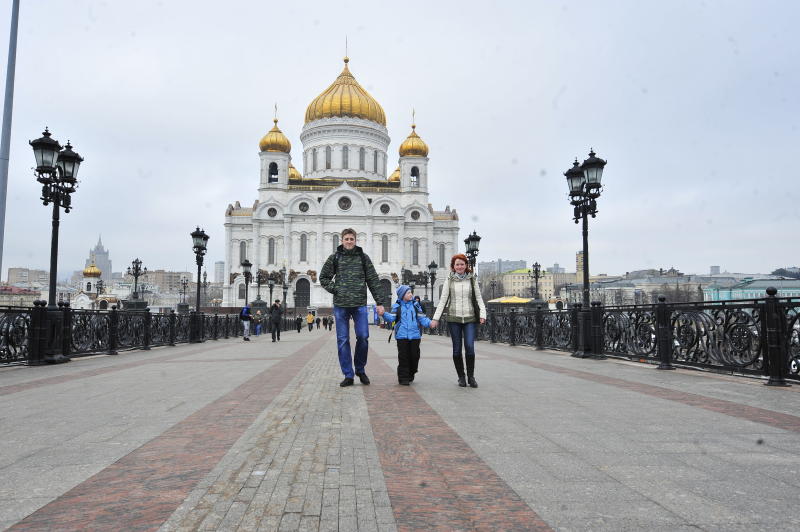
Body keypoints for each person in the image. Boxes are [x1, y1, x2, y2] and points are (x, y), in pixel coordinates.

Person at [320, 228, 387, 387]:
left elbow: (373, 280)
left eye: (351, 239)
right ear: (341, 241)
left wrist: (379, 302)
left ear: (355, 240)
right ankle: (348, 374)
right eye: (346, 239)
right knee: (343, 340)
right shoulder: (335, 258)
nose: (349, 241)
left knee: (363, 336)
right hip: (341, 305)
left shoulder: (363, 258)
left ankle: (360, 369)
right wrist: (336, 289)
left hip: (359, 305)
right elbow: (323, 278)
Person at [430, 254, 487, 388]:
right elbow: (443, 299)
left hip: (470, 318)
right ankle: (461, 377)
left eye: (462, 264)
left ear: (466, 265)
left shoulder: (472, 279)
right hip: (454, 318)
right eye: (457, 264)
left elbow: (479, 298)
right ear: (453, 266)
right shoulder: (449, 280)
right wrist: (435, 318)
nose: (460, 266)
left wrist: (483, 314)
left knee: (470, 347)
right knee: (456, 350)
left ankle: (471, 377)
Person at [382, 285, 434, 385]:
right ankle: (403, 378)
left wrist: (430, 323)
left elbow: (422, 318)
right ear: (402, 295)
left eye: (411, 292)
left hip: (415, 336)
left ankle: (412, 372)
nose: (411, 294)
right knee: (403, 357)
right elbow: (391, 318)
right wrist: (383, 313)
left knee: (415, 356)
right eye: (408, 293)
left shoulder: (416, 305)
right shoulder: (397, 306)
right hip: (401, 336)